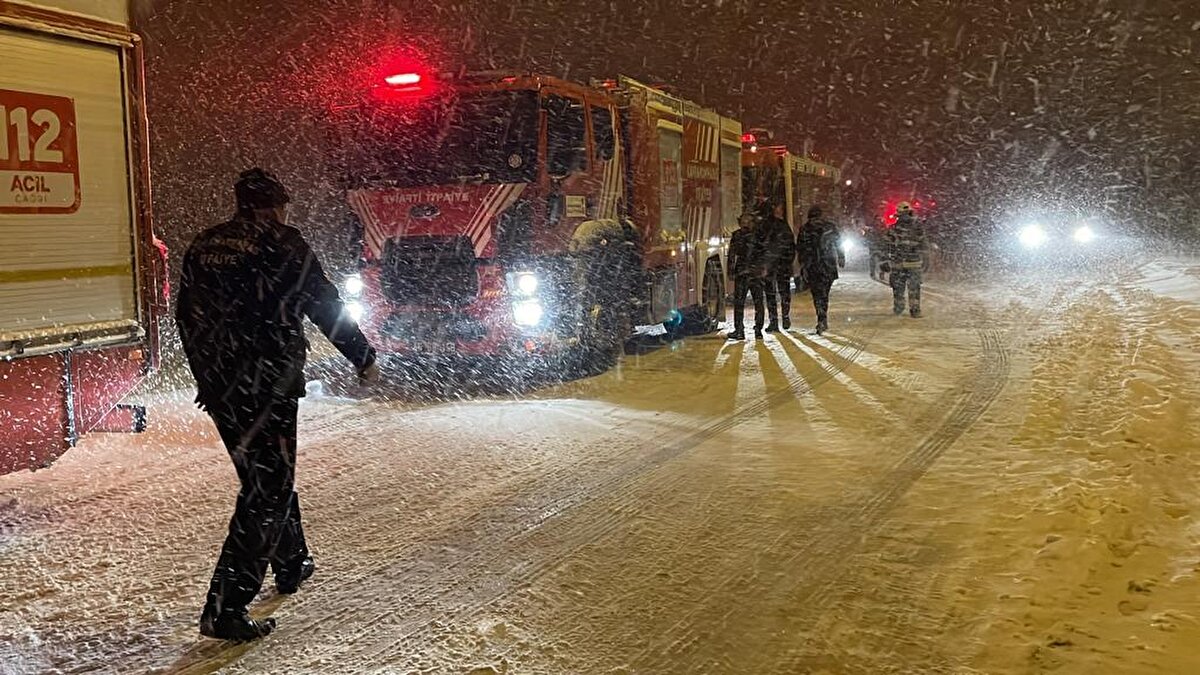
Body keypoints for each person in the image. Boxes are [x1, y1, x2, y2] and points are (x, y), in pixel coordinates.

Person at [176, 168, 380, 641]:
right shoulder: (283, 244)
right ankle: (226, 608)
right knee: (267, 488)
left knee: (264, 475)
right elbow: (325, 306)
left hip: (224, 386)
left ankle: (291, 561)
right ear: (275, 206)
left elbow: (187, 316)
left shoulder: (205, 245)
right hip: (268, 382)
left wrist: (207, 376)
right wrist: (363, 357)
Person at [796, 205, 845, 334]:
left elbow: (800, 248)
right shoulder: (828, 227)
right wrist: (841, 257)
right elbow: (838, 243)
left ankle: (821, 316)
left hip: (816, 265)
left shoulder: (807, 229)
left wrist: (803, 264)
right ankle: (822, 317)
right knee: (822, 293)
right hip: (824, 265)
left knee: (818, 293)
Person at [726, 211, 766, 340]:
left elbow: (732, 255)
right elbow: (765, 253)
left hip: (742, 272)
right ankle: (758, 330)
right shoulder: (759, 235)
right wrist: (763, 268)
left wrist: (731, 271)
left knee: (740, 303)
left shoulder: (737, 235)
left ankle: (739, 330)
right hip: (755, 273)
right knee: (758, 302)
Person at [757, 200, 796, 331]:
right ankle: (785, 316)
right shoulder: (783, 226)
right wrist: (788, 261)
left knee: (770, 294)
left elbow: (758, 247)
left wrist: (763, 263)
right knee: (784, 292)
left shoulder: (762, 227)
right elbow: (791, 245)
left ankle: (774, 321)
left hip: (769, 266)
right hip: (782, 265)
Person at [888, 201, 929, 317]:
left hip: (898, 263)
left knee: (898, 287)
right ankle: (915, 310)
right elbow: (924, 244)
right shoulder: (918, 227)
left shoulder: (894, 228)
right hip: (913, 263)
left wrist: (885, 260)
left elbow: (887, 245)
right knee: (914, 287)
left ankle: (899, 307)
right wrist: (926, 259)